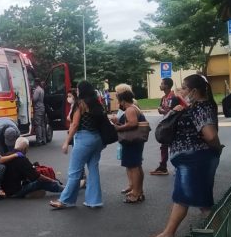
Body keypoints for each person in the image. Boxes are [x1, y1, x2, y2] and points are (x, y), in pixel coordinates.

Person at [149, 74, 222, 237]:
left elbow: (210, 135)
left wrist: (217, 148)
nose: (180, 90)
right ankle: (169, 233)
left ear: (194, 91)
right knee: (184, 197)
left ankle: (223, 234)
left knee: (199, 200)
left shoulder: (201, 107)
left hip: (195, 160)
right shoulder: (196, 106)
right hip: (191, 160)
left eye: (184, 87)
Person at [50, 81, 105, 209]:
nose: (77, 92)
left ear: (82, 91)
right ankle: (94, 200)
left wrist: (66, 142)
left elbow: (74, 125)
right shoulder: (97, 103)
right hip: (97, 139)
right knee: (93, 169)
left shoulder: (80, 104)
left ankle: (66, 200)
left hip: (83, 138)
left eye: (78, 90)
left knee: (74, 171)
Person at [112, 90, 146, 203]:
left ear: (122, 100)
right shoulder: (134, 108)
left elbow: (132, 123)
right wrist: (118, 121)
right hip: (136, 141)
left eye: (119, 100)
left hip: (132, 142)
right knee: (137, 166)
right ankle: (139, 191)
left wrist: (118, 128)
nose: (119, 103)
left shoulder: (130, 109)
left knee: (133, 167)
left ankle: (135, 193)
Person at [151, 78, 185, 175]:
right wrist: (161, 110)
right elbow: (161, 109)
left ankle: (178, 167)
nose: (160, 85)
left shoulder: (173, 97)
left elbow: (172, 112)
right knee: (164, 145)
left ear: (166, 86)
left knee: (173, 146)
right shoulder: (163, 97)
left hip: (173, 125)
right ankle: (163, 166)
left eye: (162, 84)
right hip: (166, 125)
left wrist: (162, 110)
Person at [32, 79, 46, 146]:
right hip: (42, 107)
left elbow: (34, 99)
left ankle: (39, 140)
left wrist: (32, 94)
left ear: (36, 83)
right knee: (42, 124)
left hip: (38, 108)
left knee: (38, 125)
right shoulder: (41, 89)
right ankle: (44, 139)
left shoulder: (37, 90)